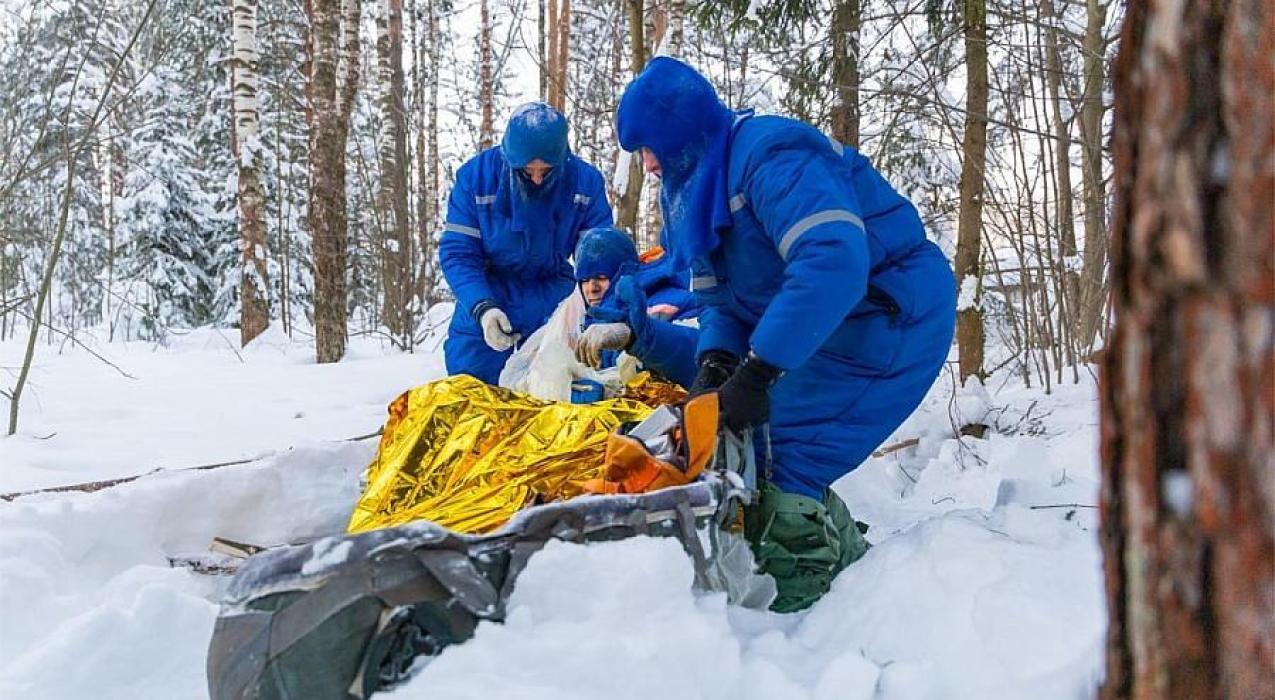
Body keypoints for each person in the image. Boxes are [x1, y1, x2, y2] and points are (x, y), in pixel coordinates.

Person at [616, 57, 957, 612]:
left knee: (784, 456)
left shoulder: (769, 156)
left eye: (650, 146)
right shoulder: (688, 193)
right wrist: (718, 363)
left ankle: (819, 599)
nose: (648, 164)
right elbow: (718, 299)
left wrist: (761, 370)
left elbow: (833, 259)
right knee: (744, 450)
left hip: (888, 314)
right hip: (828, 321)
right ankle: (836, 553)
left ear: (681, 130)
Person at [439, 102, 613, 384]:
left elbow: (598, 252)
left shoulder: (585, 182)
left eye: (545, 171)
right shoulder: (475, 178)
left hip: (554, 289)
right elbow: (459, 254)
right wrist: (482, 308)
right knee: (469, 382)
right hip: (491, 287)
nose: (536, 178)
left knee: (563, 378)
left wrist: (591, 297)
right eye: (526, 171)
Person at [570, 227, 699, 389]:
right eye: (584, 280)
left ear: (625, 272)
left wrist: (637, 339)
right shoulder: (586, 319)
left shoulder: (670, 303)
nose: (591, 288)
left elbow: (700, 359)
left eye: (601, 278)